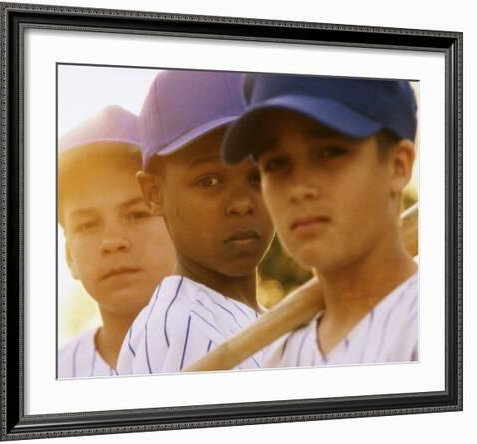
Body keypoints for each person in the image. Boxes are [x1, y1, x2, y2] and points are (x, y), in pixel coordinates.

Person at [222, 73, 419, 366]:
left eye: (330, 152)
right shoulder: (279, 360)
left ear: (398, 165)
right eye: (276, 164)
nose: (299, 189)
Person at [116, 70, 275, 375]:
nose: (242, 203)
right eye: (209, 180)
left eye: (258, 175)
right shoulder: (184, 328)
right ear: (154, 193)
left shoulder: (260, 322)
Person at [58, 105, 176, 378]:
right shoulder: (49, 377)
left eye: (136, 214)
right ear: (69, 257)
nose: (112, 241)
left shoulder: (258, 354)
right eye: (87, 225)